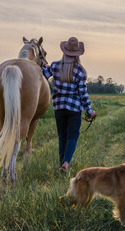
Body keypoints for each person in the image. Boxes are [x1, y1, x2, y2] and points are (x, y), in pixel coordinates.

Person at [42, 37, 96, 172]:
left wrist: (43, 66)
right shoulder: (80, 70)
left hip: (58, 106)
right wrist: (89, 110)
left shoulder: (55, 66)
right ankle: (66, 163)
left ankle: (62, 163)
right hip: (74, 107)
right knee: (72, 136)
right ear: (78, 53)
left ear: (64, 51)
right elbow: (83, 93)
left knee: (62, 136)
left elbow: (43, 74)